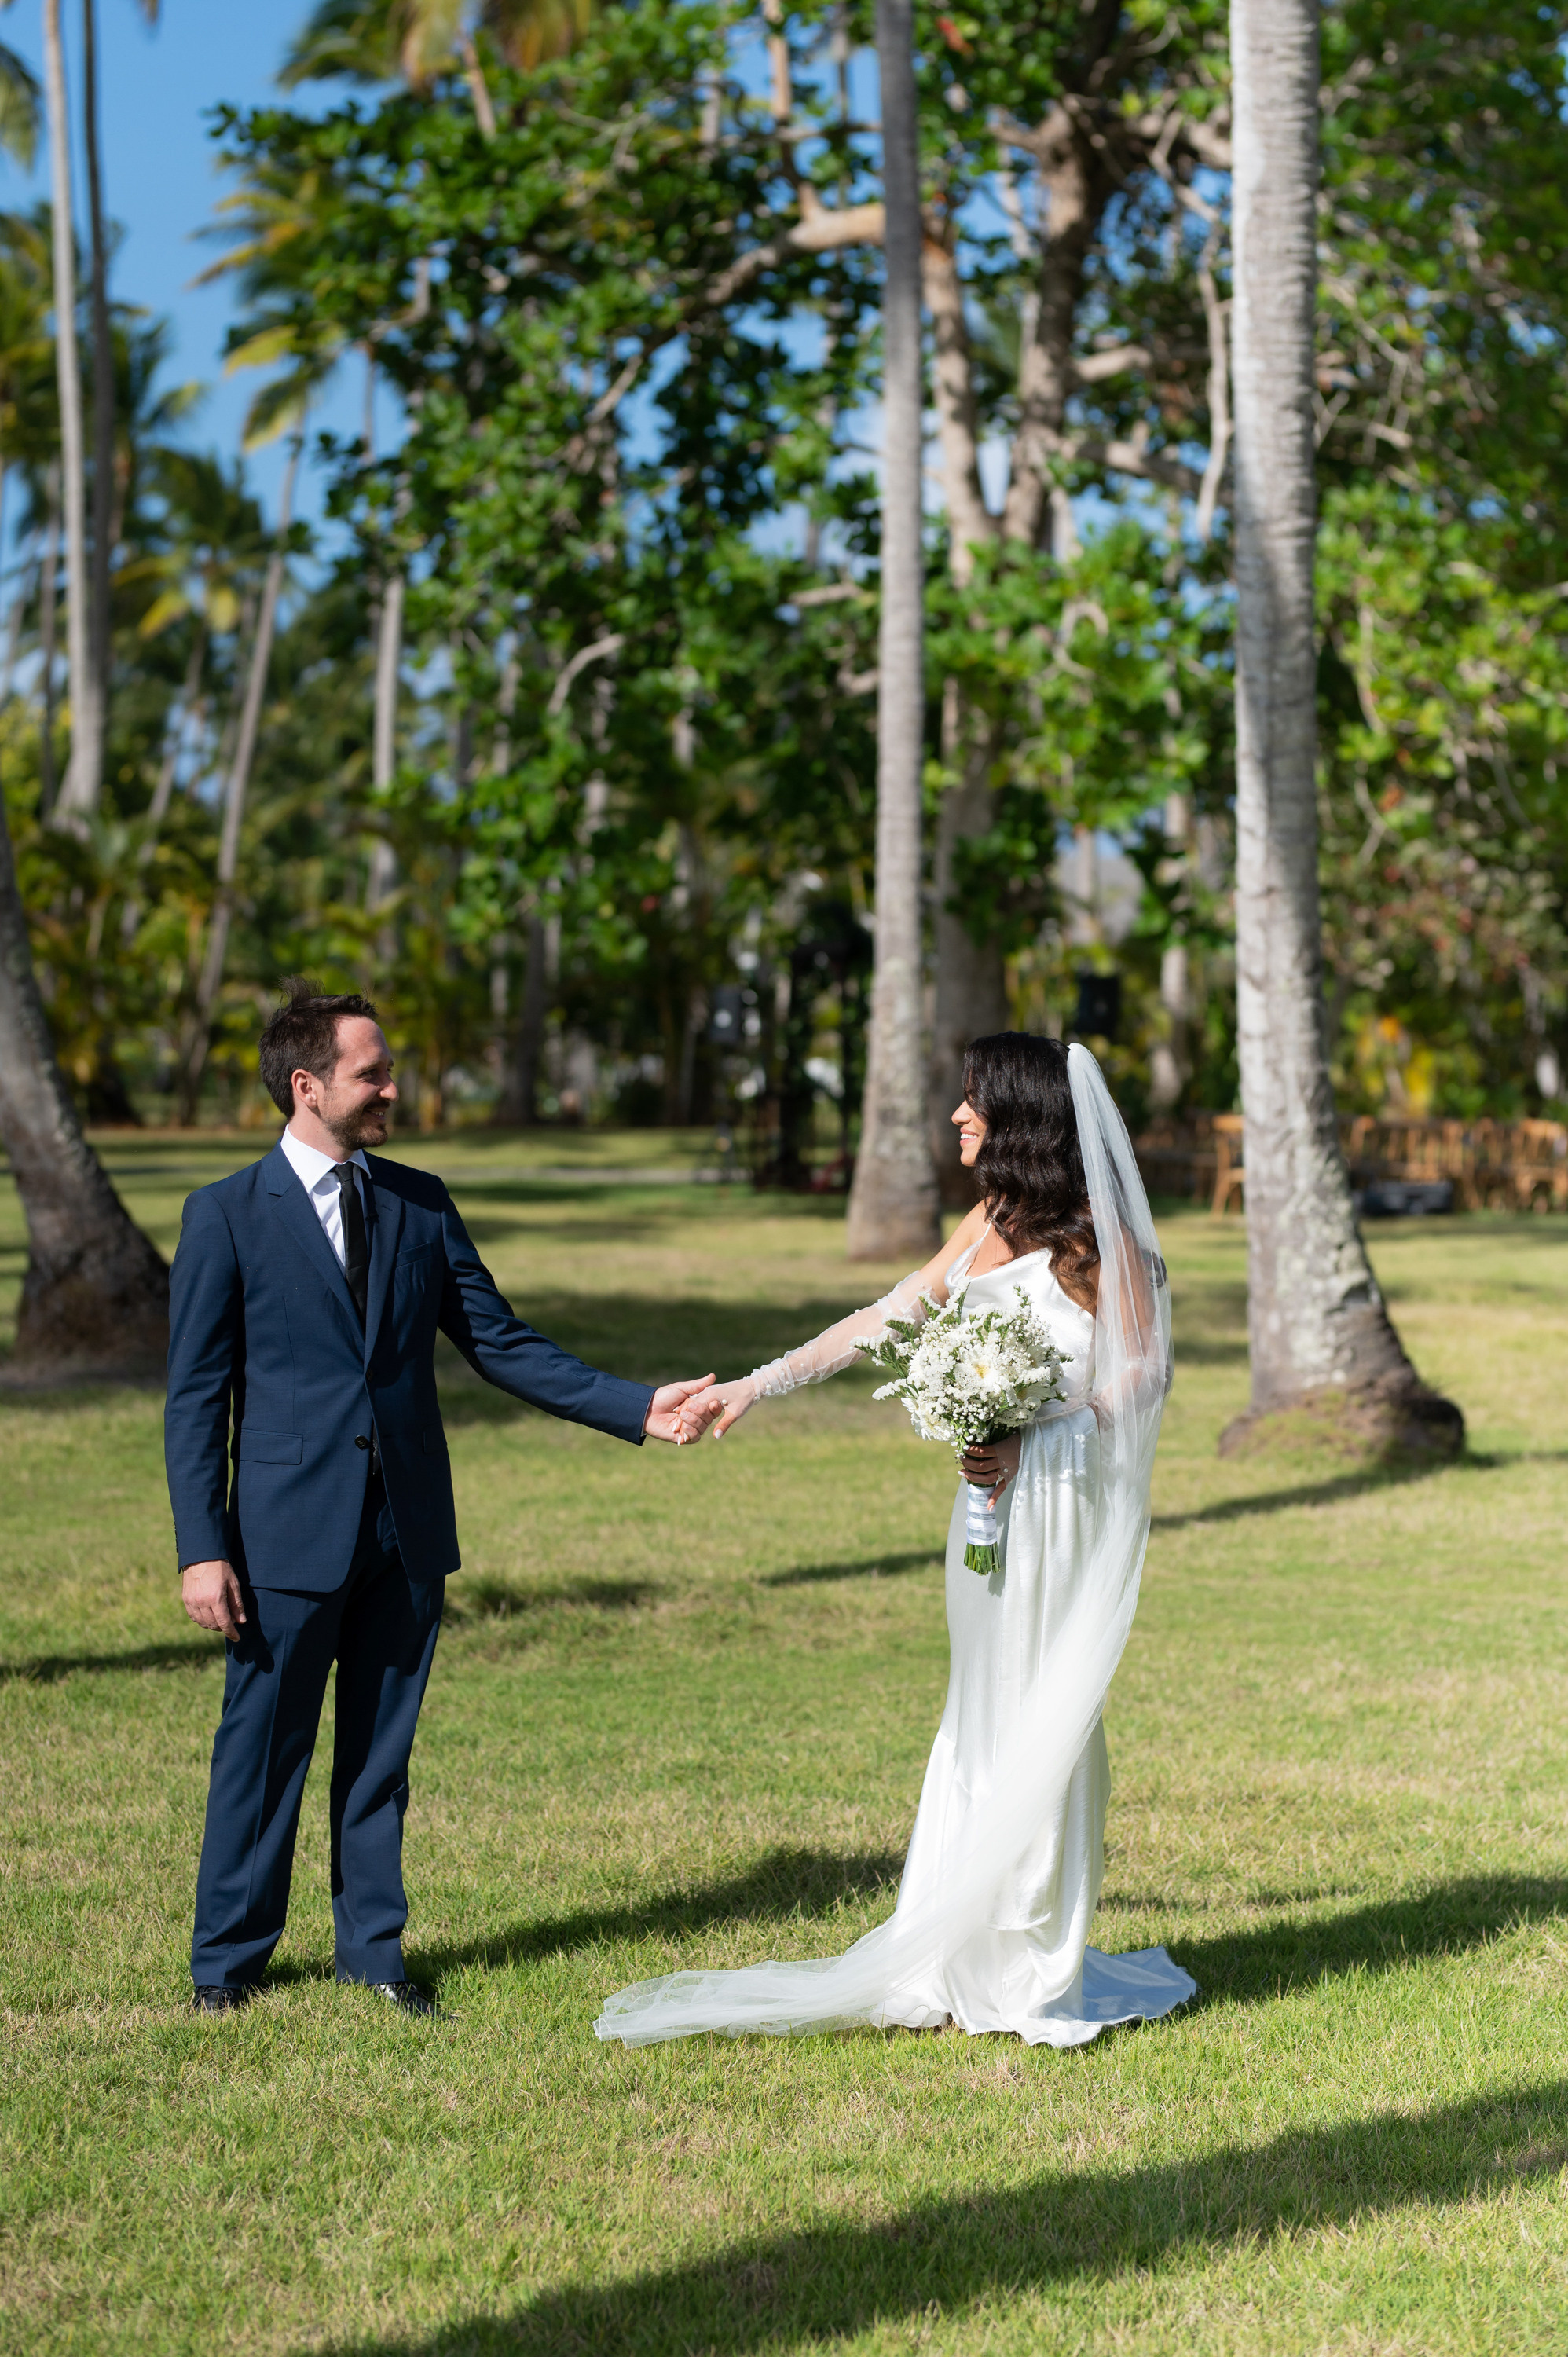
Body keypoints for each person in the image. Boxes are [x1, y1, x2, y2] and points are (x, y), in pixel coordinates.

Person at [595, 1034, 1195, 2049]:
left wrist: (1033, 1426)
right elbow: (883, 1320)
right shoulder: (988, 1223)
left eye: (974, 1103)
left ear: (1023, 1120)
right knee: (978, 1712)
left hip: (1058, 1511)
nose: (959, 1118)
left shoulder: (1107, 1244)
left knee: (1047, 1717)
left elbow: (1138, 1387)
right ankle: (953, 1951)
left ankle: (1031, 1965)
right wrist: (754, 1386)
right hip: (984, 1518)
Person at [167, 981, 720, 2019]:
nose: (393, 1087)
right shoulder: (226, 1217)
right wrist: (205, 1548)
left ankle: (374, 1959)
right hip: (281, 1534)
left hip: (405, 1527)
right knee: (263, 1748)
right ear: (306, 1086)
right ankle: (226, 1966)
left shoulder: (421, 1201)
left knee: (381, 1755)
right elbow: (195, 1400)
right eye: (372, 1073)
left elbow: (498, 1342)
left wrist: (637, 1406)